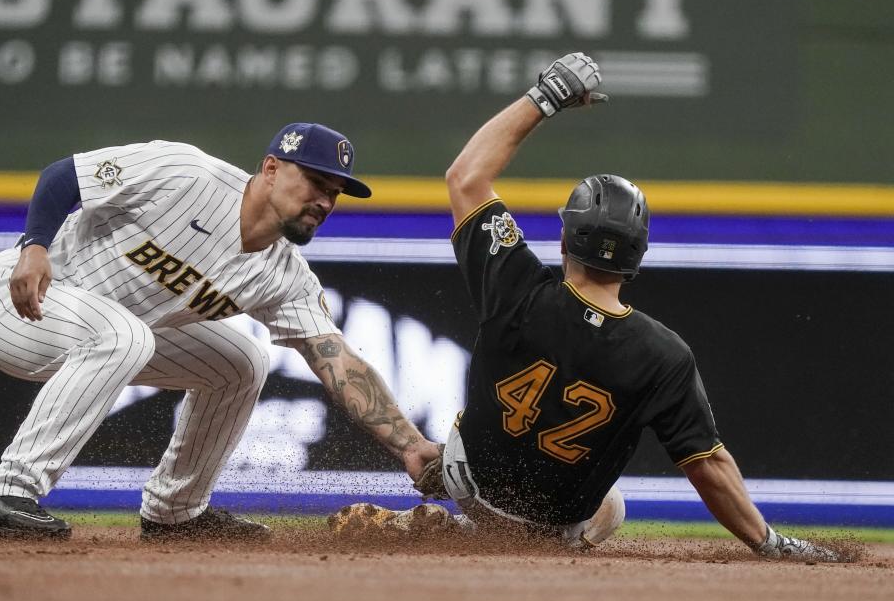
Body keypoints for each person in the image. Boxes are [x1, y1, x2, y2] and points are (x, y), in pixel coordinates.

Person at [330, 53, 838, 561]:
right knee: (611, 509)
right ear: (637, 257)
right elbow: (708, 465)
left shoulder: (517, 285)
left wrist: (544, 98)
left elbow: (464, 176)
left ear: (566, 241)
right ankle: (501, 545)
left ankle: (455, 527)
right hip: (557, 522)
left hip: (470, 480)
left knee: (506, 465)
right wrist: (768, 542)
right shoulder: (664, 355)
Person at [0, 123, 439, 541]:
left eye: (335, 192)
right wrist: (34, 246)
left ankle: (176, 512)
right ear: (270, 168)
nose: (324, 201)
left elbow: (337, 360)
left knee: (241, 364)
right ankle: (5, 495)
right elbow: (65, 174)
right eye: (316, 181)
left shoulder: (284, 276)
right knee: (126, 335)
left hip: (105, 335)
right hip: (13, 302)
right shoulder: (186, 174)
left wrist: (411, 446)